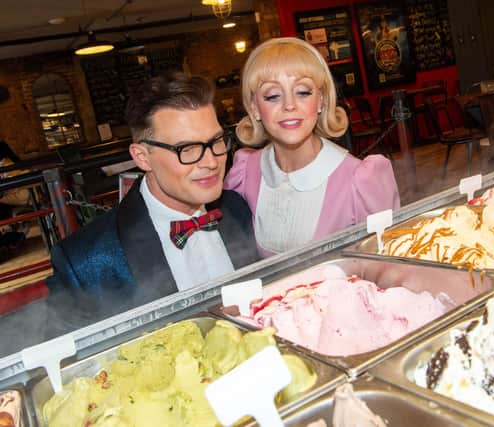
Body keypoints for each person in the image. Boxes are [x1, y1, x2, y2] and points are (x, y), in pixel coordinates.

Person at [45, 72, 259, 337]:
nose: (211, 162)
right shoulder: (84, 261)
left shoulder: (237, 209)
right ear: (142, 157)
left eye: (215, 142)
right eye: (187, 149)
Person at [224, 37, 400, 257]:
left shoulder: (361, 180)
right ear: (254, 108)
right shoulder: (244, 172)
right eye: (272, 95)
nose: (289, 105)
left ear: (322, 100)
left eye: (303, 92)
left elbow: (387, 266)